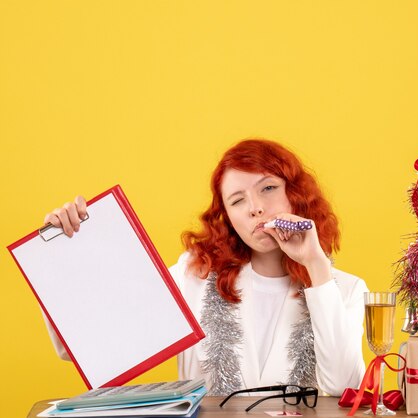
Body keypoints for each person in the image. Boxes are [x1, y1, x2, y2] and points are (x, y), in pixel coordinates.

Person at [43, 138, 368, 396]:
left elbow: (345, 387)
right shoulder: (193, 278)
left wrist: (315, 264)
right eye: (238, 200)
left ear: (295, 195)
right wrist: (67, 252)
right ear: (227, 218)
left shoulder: (346, 289)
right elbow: (85, 345)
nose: (255, 208)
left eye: (268, 188)